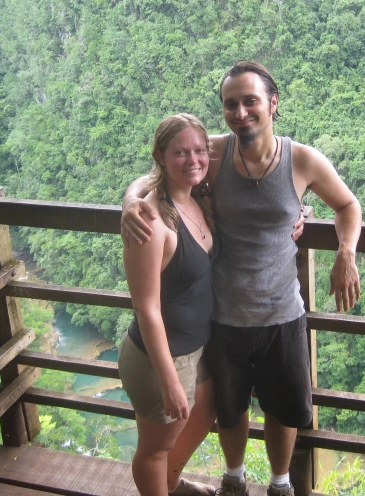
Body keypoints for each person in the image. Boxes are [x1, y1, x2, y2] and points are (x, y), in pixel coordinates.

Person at [122, 61, 362, 496]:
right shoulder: (213, 153)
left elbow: (348, 206)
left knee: (285, 408)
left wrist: (345, 250)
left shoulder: (302, 159)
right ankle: (233, 479)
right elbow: (162, 166)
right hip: (225, 316)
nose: (240, 112)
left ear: (272, 104)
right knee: (230, 411)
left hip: (283, 312)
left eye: (250, 101)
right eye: (230, 104)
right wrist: (129, 201)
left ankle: (280, 483)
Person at [119, 113, 219, 496]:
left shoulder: (198, 199)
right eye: (180, 152)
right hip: (160, 359)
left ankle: (172, 484)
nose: (192, 160)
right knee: (154, 449)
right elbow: (146, 308)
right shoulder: (150, 221)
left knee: (205, 411)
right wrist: (169, 381)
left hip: (196, 346)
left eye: (199, 150)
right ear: (160, 156)